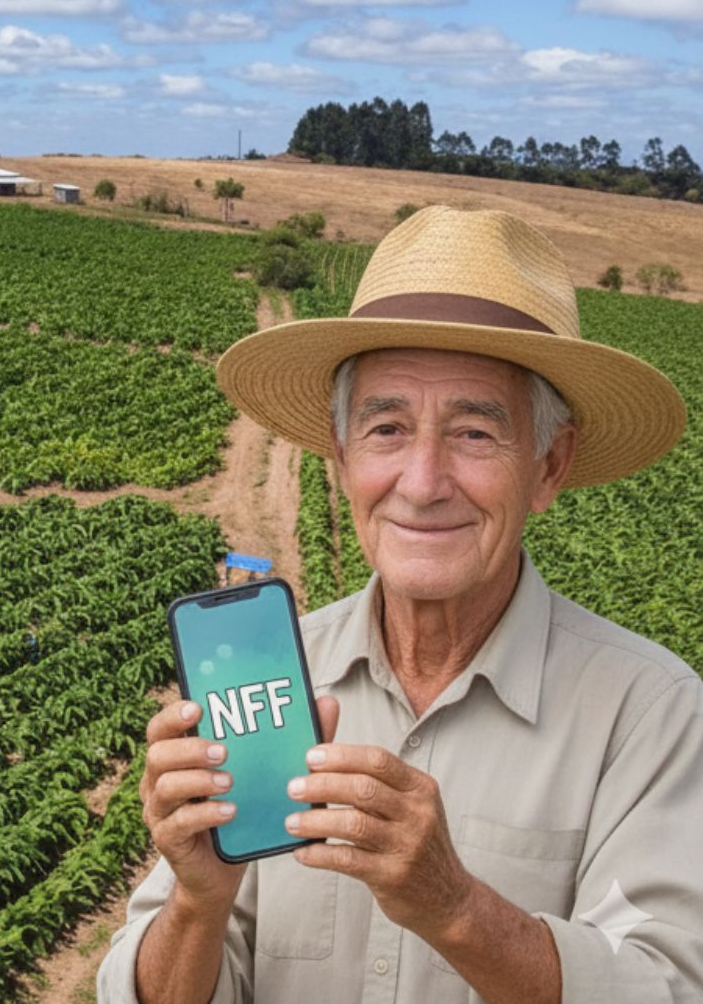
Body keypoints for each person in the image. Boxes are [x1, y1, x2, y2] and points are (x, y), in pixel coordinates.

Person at [96, 206, 703, 1003]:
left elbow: (665, 986)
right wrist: (198, 902)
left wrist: (455, 907)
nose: (421, 482)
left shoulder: (649, 714)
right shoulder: (275, 674)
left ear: (549, 466)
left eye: (475, 434)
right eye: (386, 428)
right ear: (343, 459)